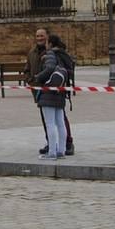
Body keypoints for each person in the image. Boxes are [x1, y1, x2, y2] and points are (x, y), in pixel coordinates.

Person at [29, 27, 73, 155]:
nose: (41, 39)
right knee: (59, 122)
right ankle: (61, 150)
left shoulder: (50, 53)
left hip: (47, 91)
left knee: (50, 123)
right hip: (59, 91)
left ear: (50, 42)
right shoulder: (61, 53)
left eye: (44, 38)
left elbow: (49, 69)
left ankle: (52, 151)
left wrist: (38, 77)